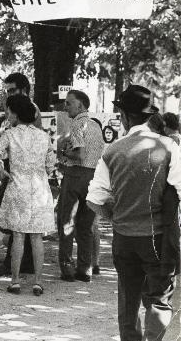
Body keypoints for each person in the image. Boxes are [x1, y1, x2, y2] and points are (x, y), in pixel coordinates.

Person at [87, 85, 181, 341]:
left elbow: (94, 199)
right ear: (149, 115)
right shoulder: (168, 147)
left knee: (128, 302)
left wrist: (115, 218)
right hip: (158, 237)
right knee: (159, 300)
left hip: (124, 238)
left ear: (124, 116)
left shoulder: (112, 151)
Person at [0, 94, 56, 296]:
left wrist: (2, 171)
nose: (7, 114)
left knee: (18, 236)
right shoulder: (44, 136)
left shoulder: (10, 134)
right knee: (37, 237)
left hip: (17, 187)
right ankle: (38, 281)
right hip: (39, 190)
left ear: (15, 113)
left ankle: (15, 280)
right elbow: (50, 164)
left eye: (8, 111)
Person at [0, 72, 38, 277]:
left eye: (13, 90)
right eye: (6, 91)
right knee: (7, 214)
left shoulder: (30, 110)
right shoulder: (14, 110)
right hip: (12, 168)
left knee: (2, 213)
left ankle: (14, 262)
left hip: (21, 171)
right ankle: (22, 261)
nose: (8, 94)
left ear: (24, 90)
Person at [57, 90, 104, 282]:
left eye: (69, 103)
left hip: (76, 175)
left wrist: (63, 153)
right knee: (85, 225)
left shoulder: (77, 124)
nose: (65, 106)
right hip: (94, 177)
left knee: (66, 221)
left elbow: (80, 155)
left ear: (81, 106)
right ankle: (85, 268)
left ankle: (67, 267)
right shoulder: (95, 126)